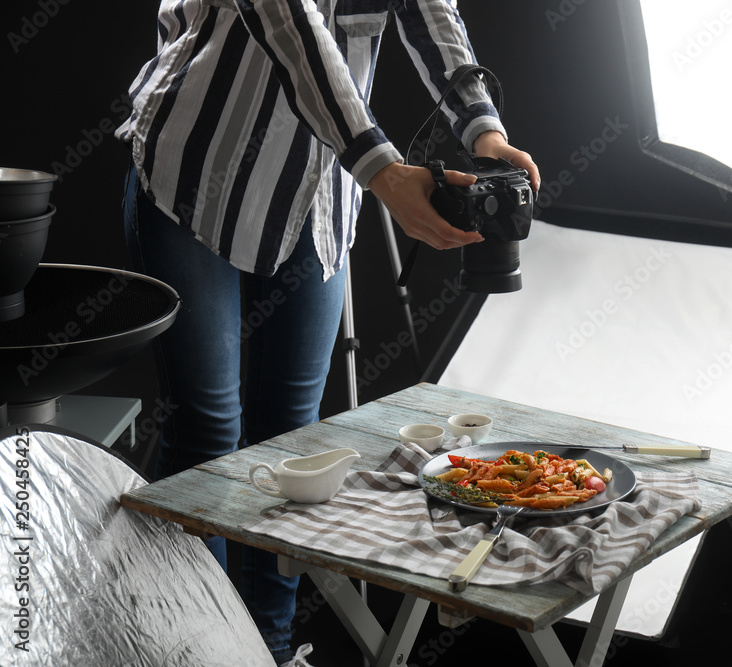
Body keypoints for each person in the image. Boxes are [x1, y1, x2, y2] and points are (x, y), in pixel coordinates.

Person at [115, 1, 540, 665]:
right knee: (207, 432)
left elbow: (430, 11)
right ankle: (190, 649)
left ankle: (272, 649)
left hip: (319, 191)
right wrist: (383, 170)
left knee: (293, 444)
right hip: (198, 169)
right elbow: (291, 27)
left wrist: (482, 127)